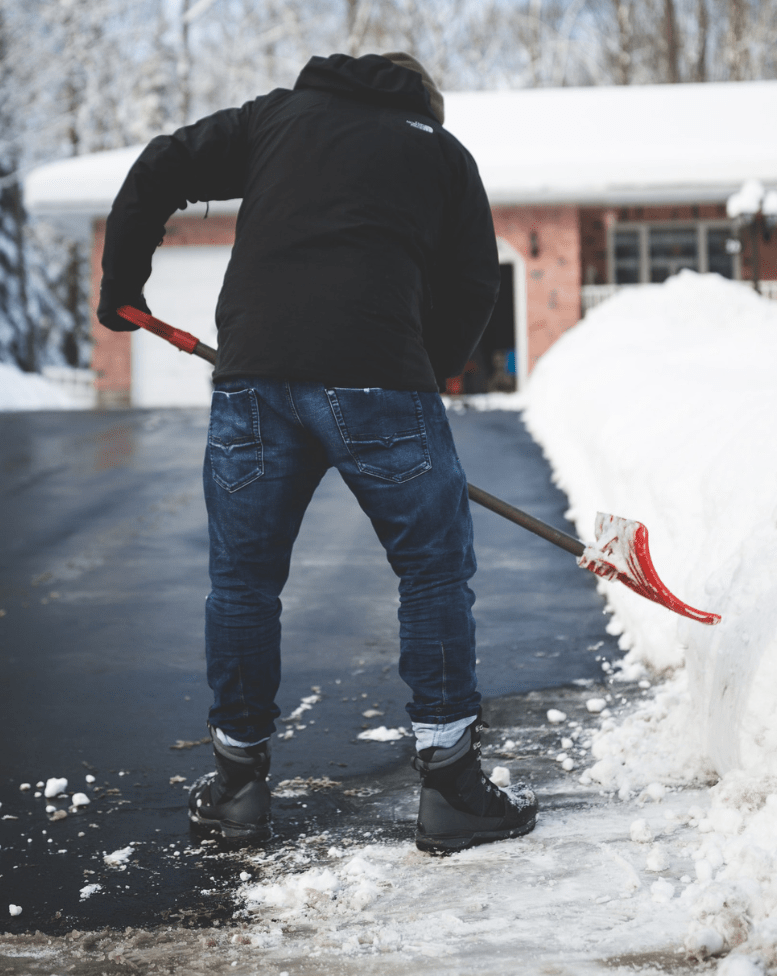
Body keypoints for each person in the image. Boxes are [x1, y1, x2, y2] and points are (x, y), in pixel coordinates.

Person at [97, 51, 537, 852]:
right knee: (433, 571)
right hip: (379, 378)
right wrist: (416, 368)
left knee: (243, 583)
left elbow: (162, 162)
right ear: (424, 104)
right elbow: (476, 279)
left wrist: (121, 281)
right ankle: (450, 789)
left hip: (254, 377)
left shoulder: (274, 119)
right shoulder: (439, 152)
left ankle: (236, 786)